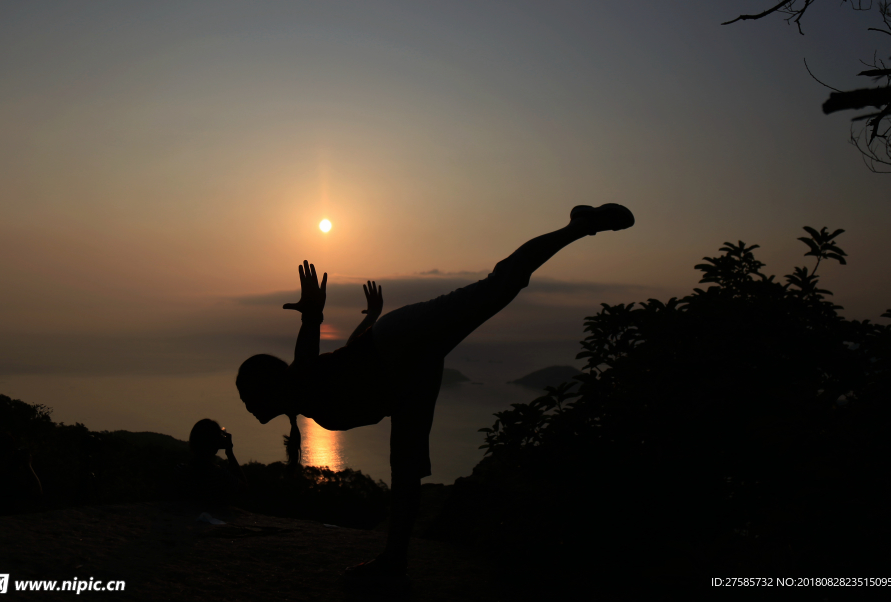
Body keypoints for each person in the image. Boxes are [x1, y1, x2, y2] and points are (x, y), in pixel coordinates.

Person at [235, 204, 634, 590]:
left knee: (499, 286)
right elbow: (344, 357)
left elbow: (306, 360)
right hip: (407, 377)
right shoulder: (309, 394)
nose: (248, 407)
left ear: (268, 387)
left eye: (248, 397)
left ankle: (579, 225)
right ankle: (394, 562)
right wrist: (369, 316)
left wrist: (313, 316)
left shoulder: (303, 384)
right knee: (405, 470)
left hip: (400, 343)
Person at [183, 419, 248, 506]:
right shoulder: (219, 475)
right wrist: (229, 453)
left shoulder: (181, 470)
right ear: (216, 443)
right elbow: (244, 489)